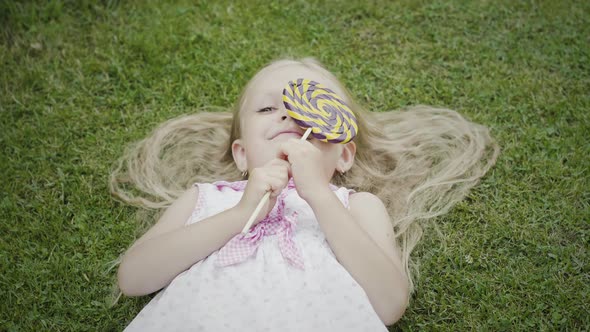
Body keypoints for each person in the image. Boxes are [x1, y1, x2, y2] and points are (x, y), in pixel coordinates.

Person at [110, 57, 499, 331]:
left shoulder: (356, 207)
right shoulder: (208, 199)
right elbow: (134, 278)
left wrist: (317, 193)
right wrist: (239, 214)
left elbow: (389, 304)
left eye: (309, 108)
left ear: (344, 155)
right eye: (267, 108)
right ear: (242, 154)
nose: (290, 115)